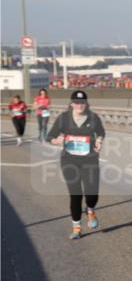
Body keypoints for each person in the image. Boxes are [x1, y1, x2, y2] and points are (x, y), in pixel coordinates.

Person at [46, 90, 105, 239]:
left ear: (86, 103)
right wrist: (55, 141)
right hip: (69, 161)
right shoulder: (64, 118)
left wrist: (99, 140)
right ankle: (76, 228)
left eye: (82, 102)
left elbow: (101, 132)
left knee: (92, 194)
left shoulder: (93, 117)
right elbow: (50, 136)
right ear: (72, 104)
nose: (80, 105)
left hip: (90, 160)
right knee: (75, 194)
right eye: (77, 103)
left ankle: (90, 210)